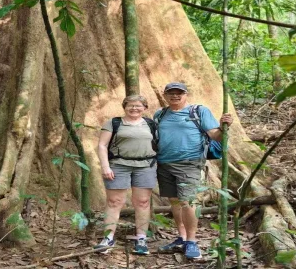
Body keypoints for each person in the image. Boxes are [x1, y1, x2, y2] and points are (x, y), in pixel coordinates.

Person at [155, 82, 233, 259]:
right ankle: (181, 238)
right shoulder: (160, 114)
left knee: (187, 202)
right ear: (165, 95)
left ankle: (191, 241)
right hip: (164, 163)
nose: (175, 96)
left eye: (179, 93)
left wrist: (223, 126)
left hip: (189, 162)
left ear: (186, 94)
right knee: (174, 202)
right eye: (171, 93)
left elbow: (215, 135)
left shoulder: (198, 111)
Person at [95, 95, 158, 255]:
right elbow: (102, 145)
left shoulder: (150, 124)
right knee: (114, 202)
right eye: (130, 105)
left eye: (138, 106)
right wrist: (105, 166)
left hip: (145, 166)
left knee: (143, 202)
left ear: (144, 108)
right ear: (124, 107)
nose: (134, 108)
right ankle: (108, 238)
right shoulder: (114, 123)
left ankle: (141, 238)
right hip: (118, 165)